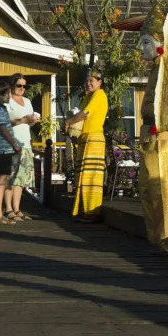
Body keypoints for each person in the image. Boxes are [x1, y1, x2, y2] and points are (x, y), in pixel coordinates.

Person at [63, 69, 108, 222]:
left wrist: (68, 122)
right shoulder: (88, 97)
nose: (88, 83)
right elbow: (80, 117)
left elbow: (84, 114)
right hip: (85, 137)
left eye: (92, 81)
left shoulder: (99, 95)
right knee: (82, 176)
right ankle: (83, 210)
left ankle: (92, 212)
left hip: (94, 138)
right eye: (87, 81)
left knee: (91, 177)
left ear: (99, 82)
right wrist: (70, 128)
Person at [4, 72, 38, 221]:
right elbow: (4, 123)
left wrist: (32, 121)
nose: (22, 88)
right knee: (10, 177)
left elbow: (28, 123)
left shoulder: (27, 101)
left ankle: (17, 208)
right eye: (19, 85)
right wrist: (22, 119)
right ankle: (8, 209)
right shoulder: (7, 101)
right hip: (12, 143)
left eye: (25, 86)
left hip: (25, 143)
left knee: (21, 178)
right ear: (12, 85)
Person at [0, 79, 22, 225]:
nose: (10, 95)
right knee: (2, 182)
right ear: (0, 94)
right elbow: (4, 130)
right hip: (3, 149)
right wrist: (14, 145)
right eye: (7, 93)